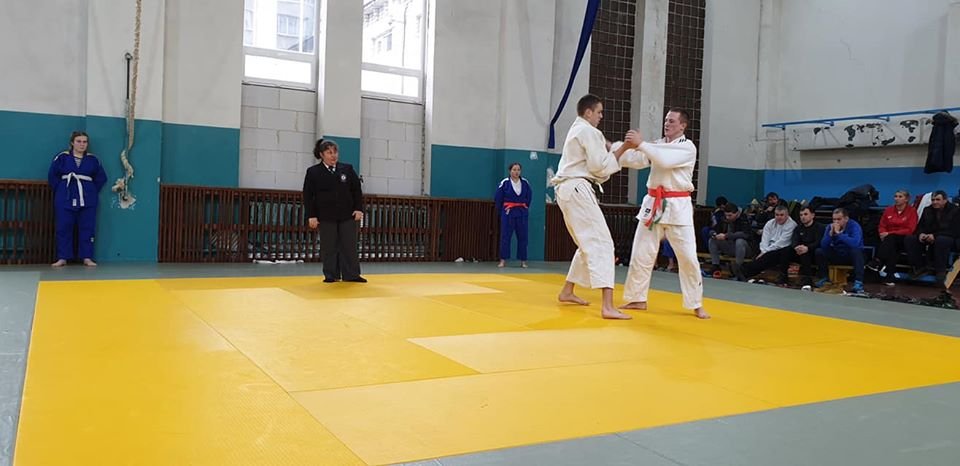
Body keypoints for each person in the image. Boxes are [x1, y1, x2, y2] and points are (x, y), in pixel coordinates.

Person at [617, 109, 710, 319]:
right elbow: (637, 160)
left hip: (678, 206)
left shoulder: (687, 147)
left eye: (672, 121)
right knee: (641, 253)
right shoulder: (657, 145)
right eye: (666, 120)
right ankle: (637, 298)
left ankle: (696, 303)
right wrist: (615, 148)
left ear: (683, 125)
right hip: (653, 204)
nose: (667, 123)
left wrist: (642, 144)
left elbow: (665, 159)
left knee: (688, 257)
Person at [551, 94, 632, 320]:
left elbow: (597, 168)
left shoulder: (576, 129)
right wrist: (623, 148)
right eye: (599, 112)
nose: (601, 116)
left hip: (567, 191)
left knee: (586, 244)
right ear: (588, 112)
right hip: (577, 188)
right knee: (603, 243)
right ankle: (607, 306)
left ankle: (567, 291)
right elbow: (599, 167)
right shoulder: (589, 131)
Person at [302, 139, 366, 283]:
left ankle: (352, 274)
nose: (333, 156)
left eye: (335, 152)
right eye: (329, 152)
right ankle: (331, 274)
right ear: (321, 155)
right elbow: (308, 195)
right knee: (329, 246)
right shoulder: (313, 172)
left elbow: (356, 190)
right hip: (325, 215)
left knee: (349, 245)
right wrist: (311, 215)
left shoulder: (347, 169)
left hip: (347, 214)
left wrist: (358, 209)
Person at [48, 131, 107, 267]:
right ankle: (63, 257)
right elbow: (52, 176)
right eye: (79, 141)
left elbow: (101, 178)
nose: (82, 144)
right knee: (64, 226)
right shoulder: (62, 157)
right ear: (72, 143)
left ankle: (87, 257)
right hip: (65, 197)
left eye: (85, 142)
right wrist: (62, 190)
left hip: (87, 198)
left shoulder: (93, 160)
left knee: (87, 227)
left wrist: (91, 191)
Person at [903, 190, 957, 284]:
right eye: (933, 200)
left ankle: (940, 270)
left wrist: (934, 235)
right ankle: (918, 267)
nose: (934, 202)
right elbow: (920, 227)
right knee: (910, 239)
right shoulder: (927, 210)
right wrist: (921, 234)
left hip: (948, 236)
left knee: (941, 240)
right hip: (929, 235)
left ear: (945, 200)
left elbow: (955, 230)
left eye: (938, 199)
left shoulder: (955, 210)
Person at [866, 190, 918, 284]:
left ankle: (877, 261)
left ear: (906, 199)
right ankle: (889, 277)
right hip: (888, 239)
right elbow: (882, 225)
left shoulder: (912, 211)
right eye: (896, 196)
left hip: (904, 238)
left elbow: (910, 229)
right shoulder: (888, 210)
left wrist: (889, 233)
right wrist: (882, 233)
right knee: (892, 247)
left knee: (891, 239)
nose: (897, 199)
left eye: (900, 197)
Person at [741, 205, 797, 284]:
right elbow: (764, 240)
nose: (779, 217)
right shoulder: (770, 223)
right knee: (759, 247)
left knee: (772, 255)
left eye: (781, 215)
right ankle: (745, 270)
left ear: (787, 215)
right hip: (769, 249)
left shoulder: (792, 225)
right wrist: (763, 251)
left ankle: (745, 270)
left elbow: (781, 243)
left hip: (783, 250)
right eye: (777, 215)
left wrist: (765, 252)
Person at [815, 207, 865, 293]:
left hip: (850, 255)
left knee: (856, 251)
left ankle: (858, 282)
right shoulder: (830, 227)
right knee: (819, 251)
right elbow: (823, 245)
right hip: (837, 254)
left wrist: (839, 234)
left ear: (846, 219)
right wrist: (830, 235)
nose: (836, 222)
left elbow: (855, 243)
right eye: (834, 219)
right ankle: (825, 278)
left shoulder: (854, 226)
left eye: (839, 219)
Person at [494, 162, 533, 268]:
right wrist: (502, 211)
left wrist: (524, 207)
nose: (516, 172)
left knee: (523, 236)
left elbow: (529, 197)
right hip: (508, 212)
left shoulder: (525, 183)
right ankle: (503, 260)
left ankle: (523, 261)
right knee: (505, 236)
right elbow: (498, 198)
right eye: (514, 170)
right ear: (510, 171)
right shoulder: (505, 183)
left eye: (518, 170)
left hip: (521, 212)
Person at [706, 202, 754, 280]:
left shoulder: (744, 219)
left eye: (730, 215)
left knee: (739, 241)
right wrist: (714, 234)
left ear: (737, 213)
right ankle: (716, 266)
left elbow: (746, 234)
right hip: (731, 246)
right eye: (726, 215)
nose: (727, 217)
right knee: (712, 240)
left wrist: (726, 236)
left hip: (745, 248)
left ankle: (739, 269)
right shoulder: (724, 219)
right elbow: (713, 229)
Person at [792, 206, 824, 290]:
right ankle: (783, 276)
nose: (803, 217)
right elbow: (794, 240)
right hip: (800, 251)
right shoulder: (798, 228)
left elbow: (819, 242)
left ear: (812, 215)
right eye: (801, 215)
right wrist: (796, 247)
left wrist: (807, 248)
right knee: (785, 250)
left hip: (813, 253)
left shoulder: (819, 227)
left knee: (806, 253)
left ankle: (807, 281)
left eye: (805, 214)